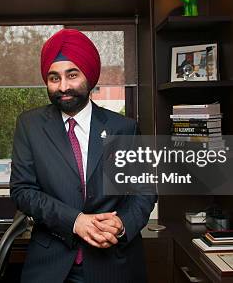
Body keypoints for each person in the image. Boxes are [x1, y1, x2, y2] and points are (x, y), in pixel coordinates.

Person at [10, 29, 157, 283]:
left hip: (114, 263)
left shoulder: (124, 128)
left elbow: (144, 191)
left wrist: (122, 225)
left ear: (89, 76)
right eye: (54, 78)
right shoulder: (30, 125)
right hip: (50, 266)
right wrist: (75, 221)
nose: (63, 86)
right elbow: (23, 190)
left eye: (72, 75)